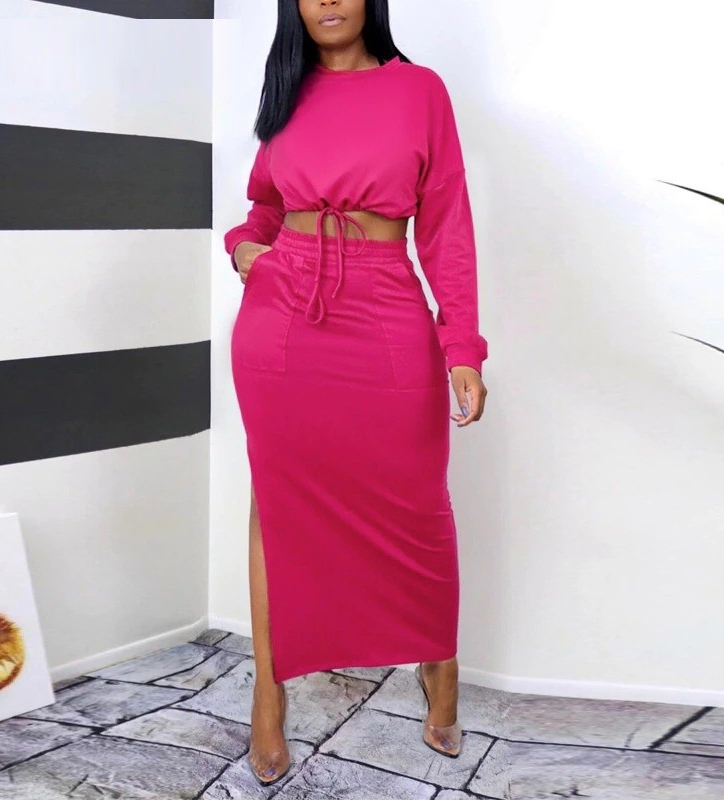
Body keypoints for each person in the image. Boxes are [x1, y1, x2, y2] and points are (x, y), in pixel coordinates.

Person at [223, 0, 489, 786]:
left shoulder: (419, 90)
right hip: (283, 315)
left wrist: (461, 346)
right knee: (278, 505)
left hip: (383, 305)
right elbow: (264, 207)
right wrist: (244, 249)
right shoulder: (286, 88)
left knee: (418, 501)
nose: (328, 0)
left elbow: (447, 223)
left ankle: (437, 662)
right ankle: (268, 698)